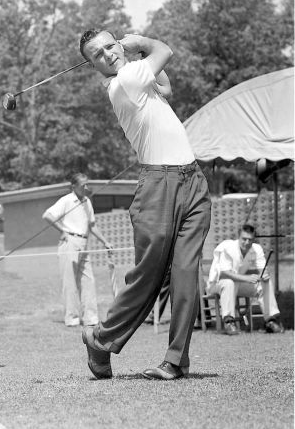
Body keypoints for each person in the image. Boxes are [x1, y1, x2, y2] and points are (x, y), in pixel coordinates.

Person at [79, 29, 212, 380]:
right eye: (98, 54)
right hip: (158, 184)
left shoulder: (136, 75)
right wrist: (139, 42)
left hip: (192, 180)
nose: (107, 54)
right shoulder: (123, 81)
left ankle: (175, 361)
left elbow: (166, 89)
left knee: (185, 273)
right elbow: (165, 50)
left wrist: (136, 55)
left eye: (110, 46)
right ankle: (101, 339)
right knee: (149, 275)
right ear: (93, 66)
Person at [42, 173, 113, 327]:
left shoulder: (87, 201)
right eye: (83, 185)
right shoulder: (67, 200)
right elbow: (47, 215)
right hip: (69, 243)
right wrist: (63, 231)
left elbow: (92, 225)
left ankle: (91, 318)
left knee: (88, 281)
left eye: (87, 185)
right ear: (74, 186)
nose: (86, 188)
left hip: (84, 242)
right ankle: (72, 318)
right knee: (70, 282)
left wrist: (105, 242)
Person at [206, 224, 284, 335]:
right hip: (217, 283)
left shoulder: (257, 249)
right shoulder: (227, 247)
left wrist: (265, 275)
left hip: (237, 284)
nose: (247, 242)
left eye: (250, 240)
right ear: (238, 237)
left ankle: (270, 321)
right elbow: (225, 273)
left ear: (254, 239)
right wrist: (247, 278)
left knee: (265, 283)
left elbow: (263, 269)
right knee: (229, 283)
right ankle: (229, 322)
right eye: (244, 239)